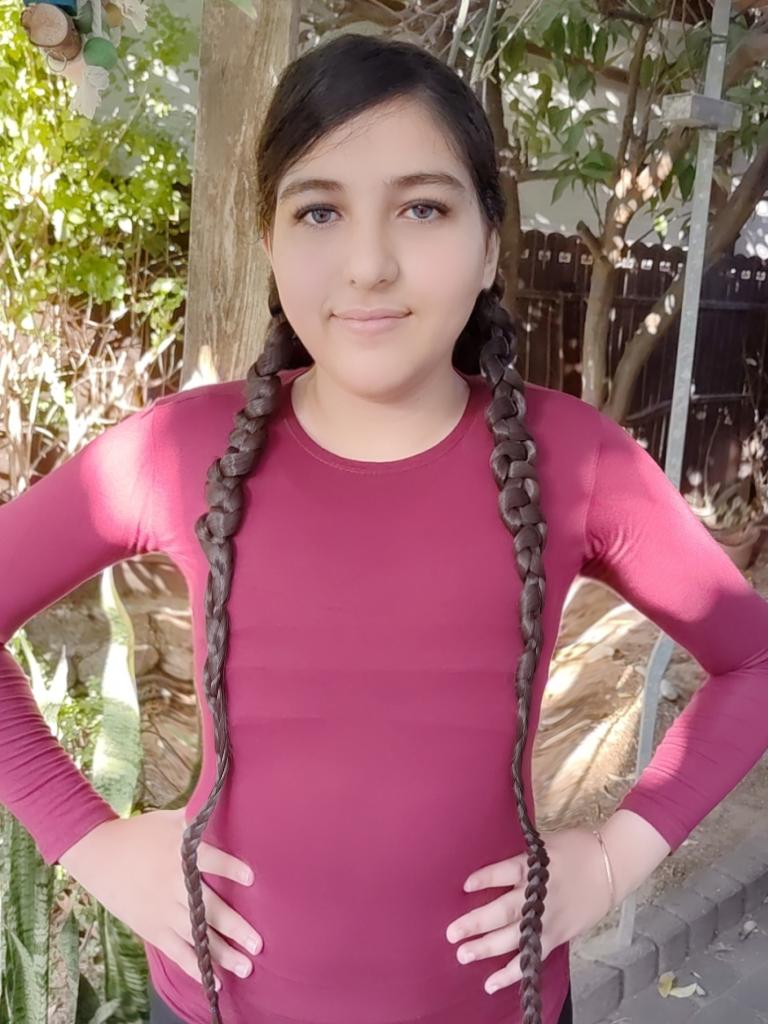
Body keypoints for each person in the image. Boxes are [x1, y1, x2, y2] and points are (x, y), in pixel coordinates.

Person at [1, 30, 768, 1024]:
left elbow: (753, 663)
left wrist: (616, 856)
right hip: (216, 1008)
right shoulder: (174, 451)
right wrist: (89, 841)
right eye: (319, 210)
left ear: (489, 243)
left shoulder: (580, 461)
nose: (368, 264)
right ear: (270, 243)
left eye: (423, 208)